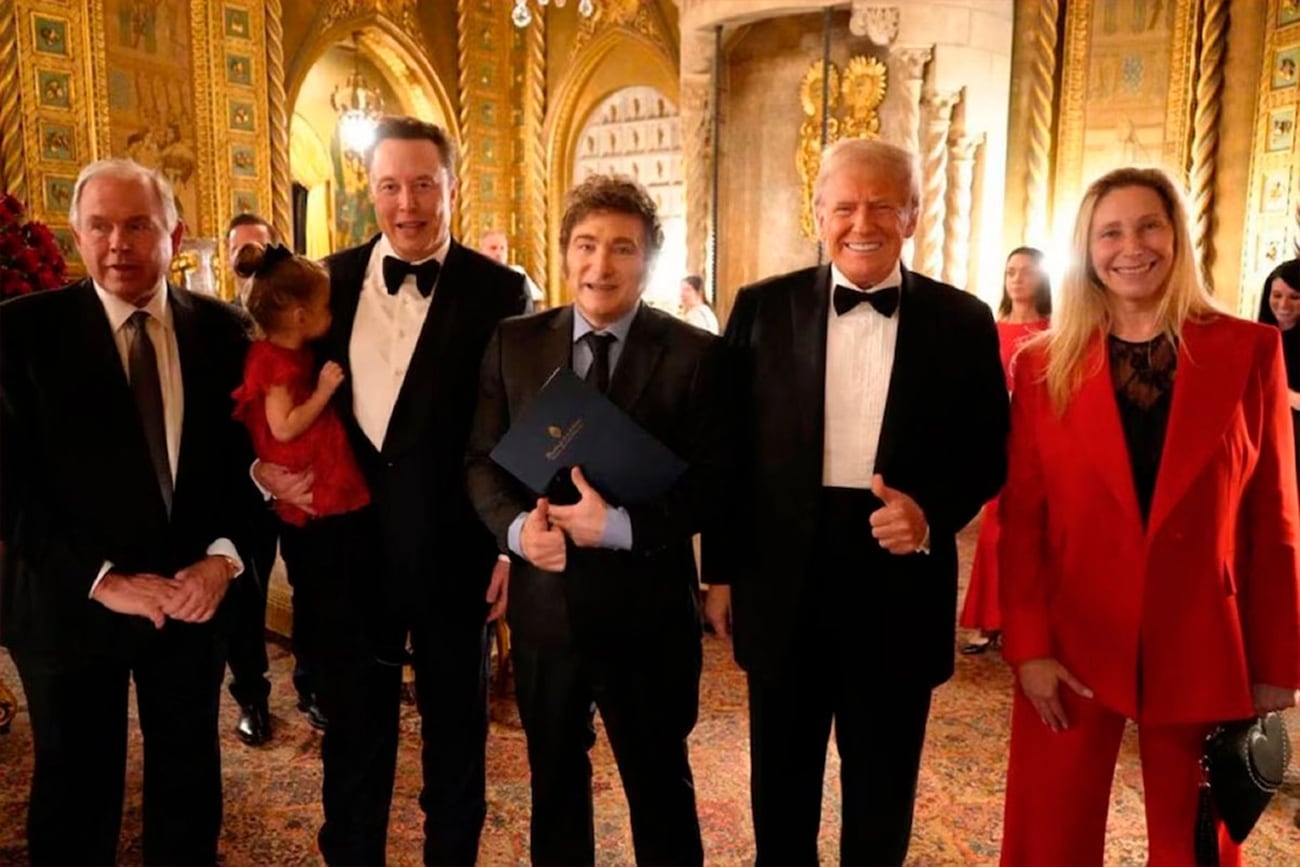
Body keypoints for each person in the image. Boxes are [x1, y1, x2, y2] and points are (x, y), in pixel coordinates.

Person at [705, 138, 1009, 865]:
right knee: (780, 789)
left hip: (898, 579)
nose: (861, 221)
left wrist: (930, 511)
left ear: (913, 214)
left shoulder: (963, 320)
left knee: (880, 795)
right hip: (783, 578)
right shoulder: (760, 307)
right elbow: (726, 451)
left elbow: (989, 450)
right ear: (818, 215)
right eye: (843, 206)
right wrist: (720, 571)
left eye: (881, 204)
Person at [998, 166, 1300, 865]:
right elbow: (1024, 517)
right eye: (1110, 231)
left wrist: (1276, 659)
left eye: (1148, 226)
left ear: (1177, 237)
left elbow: (1274, 519)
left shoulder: (1250, 350)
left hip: (1204, 632)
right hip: (1073, 636)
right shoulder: (1044, 366)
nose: (1130, 246)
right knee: (1050, 835)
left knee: (1193, 840)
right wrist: (1030, 645)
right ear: (1088, 248)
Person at [255, 116, 531, 865]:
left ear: (451, 186)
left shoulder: (503, 288)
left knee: (455, 738)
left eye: (422, 184)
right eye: (389, 186)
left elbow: (521, 426)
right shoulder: (326, 283)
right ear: (369, 190)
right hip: (345, 558)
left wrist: (510, 548)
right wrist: (264, 471)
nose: (406, 203)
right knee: (352, 737)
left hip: (456, 557)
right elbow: (272, 393)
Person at [466, 175, 731, 865]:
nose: (600, 265)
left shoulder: (696, 354)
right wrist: (519, 533)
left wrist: (619, 525)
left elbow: (714, 484)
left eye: (622, 248)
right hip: (547, 611)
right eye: (586, 245)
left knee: (660, 789)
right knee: (553, 786)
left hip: (648, 615)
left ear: (649, 260)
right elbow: (479, 463)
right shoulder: (514, 342)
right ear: (563, 253)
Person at [0, 158, 256, 864]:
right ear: (77, 236)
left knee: (188, 789)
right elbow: (10, 489)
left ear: (174, 234)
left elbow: (251, 473)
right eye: (101, 226)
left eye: (138, 224)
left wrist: (222, 558)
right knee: (75, 800)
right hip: (70, 605)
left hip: (190, 603)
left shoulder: (227, 333)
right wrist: (104, 578)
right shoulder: (20, 335)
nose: (119, 242)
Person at [223, 214, 328, 744]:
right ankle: (252, 698)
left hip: (306, 483)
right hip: (247, 493)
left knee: (310, 585)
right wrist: (260, 471)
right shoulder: (221, 328)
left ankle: (311, 686)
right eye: (241, 255)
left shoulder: (304, 332)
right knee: (247, 593)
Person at [959, 247, 1052, 655]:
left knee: (1036, 532)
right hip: (999, 441)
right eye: (1010, 271)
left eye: (1026, 272)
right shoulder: (990, 330)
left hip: (1040, 443)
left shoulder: (1056, 330)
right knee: (995, 532)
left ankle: (1025, 621)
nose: (1017, 279)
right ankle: (988, 619)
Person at [478, 227, 545, 305]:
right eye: (493, 248)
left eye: (502, 248)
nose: (498, 253)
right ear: (481, 251)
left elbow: (536, 300)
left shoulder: (517, 272)